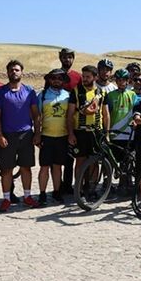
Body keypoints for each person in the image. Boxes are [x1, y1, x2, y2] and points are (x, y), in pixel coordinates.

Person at [0, 60, 41, 212]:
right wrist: (0, 136)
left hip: (26, 134)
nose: (14, 72)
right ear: (7, 72)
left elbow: (36, 115)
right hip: (7, 135)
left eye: (17, 70)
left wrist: (37, 133)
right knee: (7, 169)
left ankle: (27, 197)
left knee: (26, 167)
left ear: (22, 72)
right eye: (11, 70)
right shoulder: (0, 92)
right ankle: (6, 199)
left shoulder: (29, 91)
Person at [67, 65, 110, 179]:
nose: (84, 79)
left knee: (94, 161)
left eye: (88, 77)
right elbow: (70, 115)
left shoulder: (102, 92)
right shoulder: (76, 91)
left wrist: (107, 134)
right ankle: (79, 188)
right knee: (80, 161)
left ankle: (92, 188)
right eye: (83, 76)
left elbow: (106, 114)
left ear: (95, 77)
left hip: (97, 132)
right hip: (80, 132)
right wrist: (71, 134)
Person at [36, 69, 70, 203]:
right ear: (49, 80)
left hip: (62, 136)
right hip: (46, 136)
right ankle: (42, 194)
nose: (57, 80)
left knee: (57, 166)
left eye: (60, 78)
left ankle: (56, 192)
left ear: (63, 81)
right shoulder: (43, 95)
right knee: (44, 167)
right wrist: (37, 134)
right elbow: (37, 117)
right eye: (54, 78)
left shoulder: (67, 96)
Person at [106, 69, 137, 196]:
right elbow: (106, 114)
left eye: (123, 80)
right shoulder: (110, 95)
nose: (120, 82)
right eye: (118, 80)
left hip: (129, 133)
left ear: (127, 81)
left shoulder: (132, 95)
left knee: (127, 161)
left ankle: (125, 185)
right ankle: (107, 186)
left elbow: (138, 109)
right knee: (111, 162)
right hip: (114, 132)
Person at [58, 48, 80, 197]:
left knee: (71, 158)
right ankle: (58, 187)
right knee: (58, 157)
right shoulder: (54, 75)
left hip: (74, 122)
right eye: (64, 57)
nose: (67, 60)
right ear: (60, 58)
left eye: (69, 57)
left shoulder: (78, 77)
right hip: (57, 121)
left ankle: (68, 185)